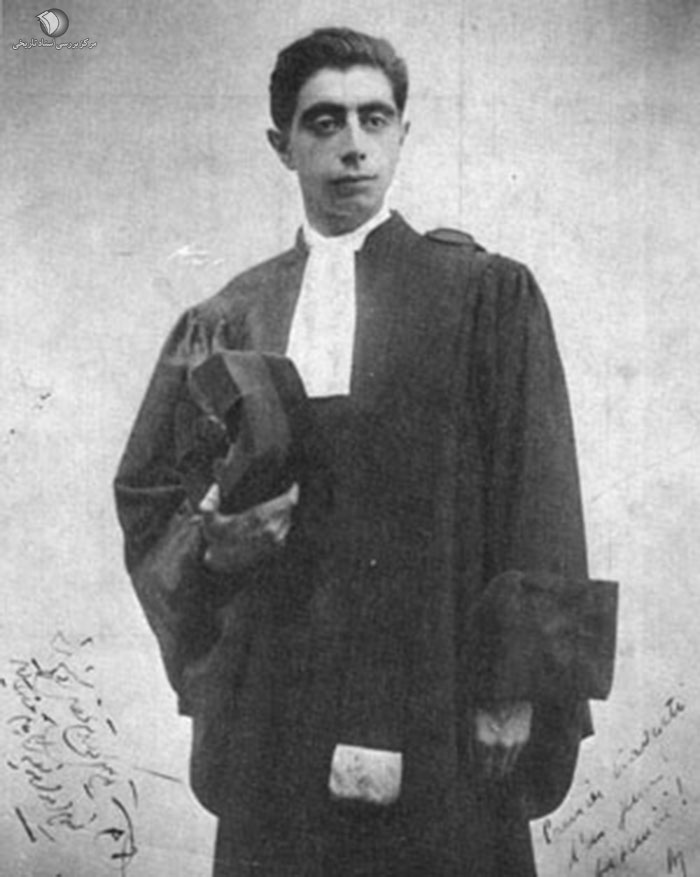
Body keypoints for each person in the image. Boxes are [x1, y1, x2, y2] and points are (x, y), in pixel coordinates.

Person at [114, 26, 599, 876]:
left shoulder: (488, 294)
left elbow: (541, 494)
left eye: (374, 119)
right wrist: (215, 546)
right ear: (282, 144)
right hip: (278, 704)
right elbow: (153, 502)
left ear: (402, 133)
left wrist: (516, 684)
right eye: (324, 121)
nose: (353, 146)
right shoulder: (228, 318)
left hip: (444, 688)